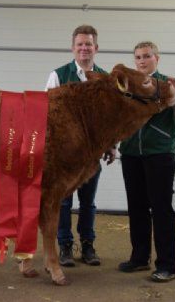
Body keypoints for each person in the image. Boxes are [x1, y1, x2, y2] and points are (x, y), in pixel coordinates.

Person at [118, 41, 175, 282]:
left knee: (161, 209)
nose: (142, 61)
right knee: (137, 207)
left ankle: (167, 265)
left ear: (157, 59)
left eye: (147, 56)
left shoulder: (170, 84)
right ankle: (140, 258)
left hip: (159, 154)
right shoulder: (127, 86)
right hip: (131, 153)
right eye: (138, 57)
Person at [45, 24, 116, 267]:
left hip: (91, 155)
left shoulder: (107, 80)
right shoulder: (57, 75)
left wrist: (112, 145)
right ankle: (64, 246)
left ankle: (88, 245)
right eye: (80, 44)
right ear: (73, 48)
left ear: (96, 48)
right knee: (63, 201)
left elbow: (111, 119)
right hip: (63, 157)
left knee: (88, 202)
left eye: (88, 44)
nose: (84, 48)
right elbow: (45, 113)